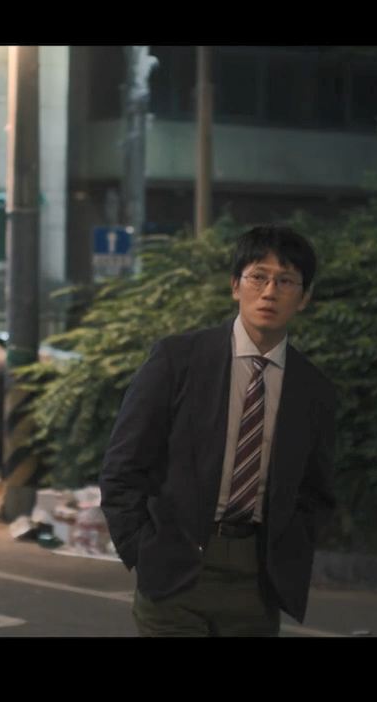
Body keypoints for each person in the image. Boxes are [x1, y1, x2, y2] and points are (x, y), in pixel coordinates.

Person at [100, 225, 337, 636]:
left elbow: (315, 489)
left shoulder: (312, 388)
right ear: (235, 285)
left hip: (256, 577)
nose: (269, 292)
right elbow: (123, 464)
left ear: (304, 297)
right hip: (175, 566)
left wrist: (288, 549)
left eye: (285, 281)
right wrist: (142, 549)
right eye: (258, 277)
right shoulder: (178, 360)